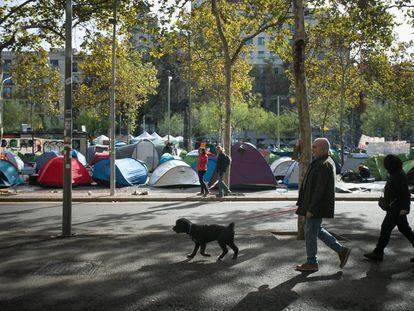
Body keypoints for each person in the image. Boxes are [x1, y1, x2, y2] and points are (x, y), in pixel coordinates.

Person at [295, 138, 351, 272]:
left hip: (315, 207)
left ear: (323, 149)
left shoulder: (324, 164)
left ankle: (312, 262)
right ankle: (341, 250)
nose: (312, 149)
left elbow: (319, 190)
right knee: (317, 230)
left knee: (310, 233)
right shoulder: (322, 162)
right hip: (313, 205)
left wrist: (312, 208)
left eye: (315, 147)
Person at [364, 154, 414, 262]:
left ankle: (378, 252)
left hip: (397, 208)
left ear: (390, 164)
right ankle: (378, 252)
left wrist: (405, 208)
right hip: (396, 208)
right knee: (405, 230)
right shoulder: (395, 173)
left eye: (386, 164)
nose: (385, 166)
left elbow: (405, 194)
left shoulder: (398, 175)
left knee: (386, 228)